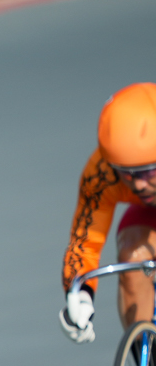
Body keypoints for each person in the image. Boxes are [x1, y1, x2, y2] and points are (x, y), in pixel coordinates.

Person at [61, 84, 156, 343]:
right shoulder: (101, 174)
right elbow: (85, 242)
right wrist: (80, 295)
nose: (137, 185)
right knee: (132, 257)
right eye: (126, 173)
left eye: (148, 172)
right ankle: (148, 365)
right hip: (147, 216)